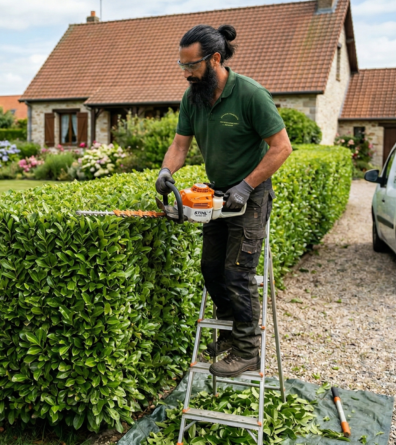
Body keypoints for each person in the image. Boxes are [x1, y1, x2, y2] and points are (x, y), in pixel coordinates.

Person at [155, 24, 292, 378]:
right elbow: (180, 145)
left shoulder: (250, 94)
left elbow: (281, 148)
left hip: (251, 195)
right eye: (182, 65)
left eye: (192, 65)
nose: (186, 73)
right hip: (217, 195)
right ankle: (231, 332)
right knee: (211, 268)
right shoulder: (193, 98)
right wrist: (166, 171)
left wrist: (246, 185)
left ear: (215, 59)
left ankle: (247, 350)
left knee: (237, 272)